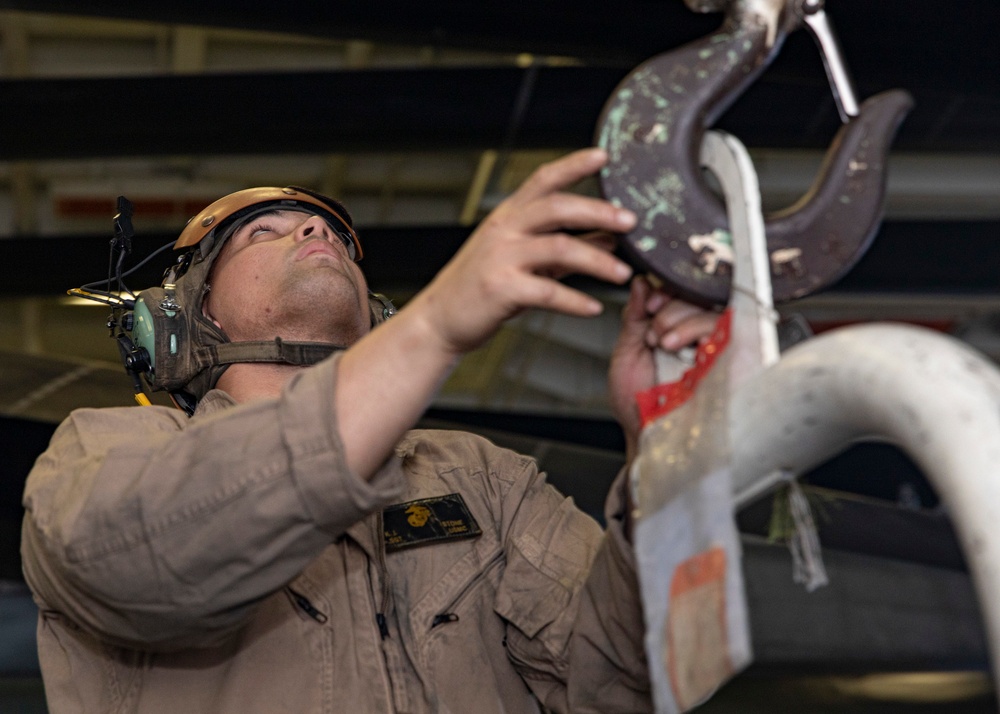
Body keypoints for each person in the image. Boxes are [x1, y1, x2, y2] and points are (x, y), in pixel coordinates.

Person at [21, 148, 717, 713]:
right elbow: (140, 562)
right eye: (264, 233)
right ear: (183, 321)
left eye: (332, 237)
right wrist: (437, 327)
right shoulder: (105, 453)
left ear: (375, 314)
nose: (317, 232)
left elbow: (630, 682)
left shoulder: (483, 479)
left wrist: (666, 456)